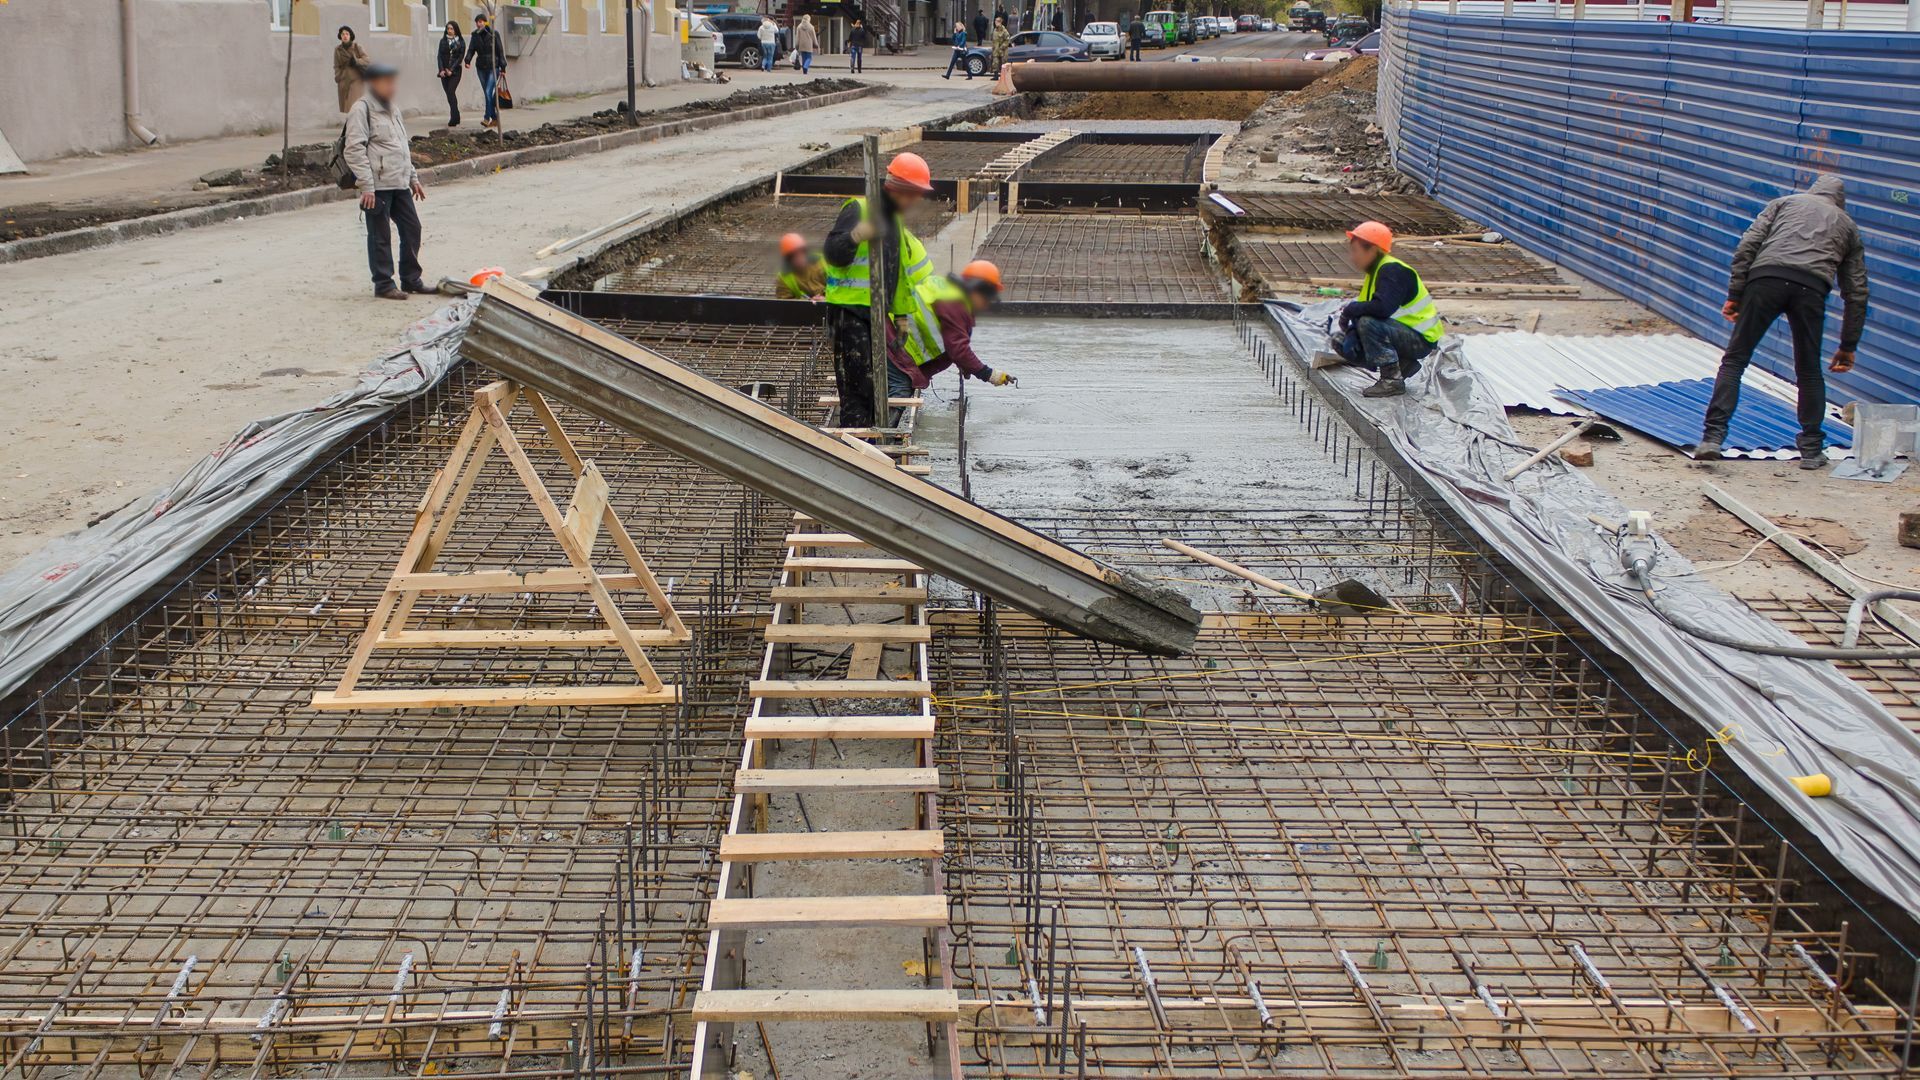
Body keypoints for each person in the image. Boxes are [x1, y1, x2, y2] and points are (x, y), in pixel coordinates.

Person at [1697, 175, 1869, 468]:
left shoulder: (1783, 204)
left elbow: (1747, 246)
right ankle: (1811, 451)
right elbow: (1857, 290)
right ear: (1840, 201)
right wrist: (1847, 345)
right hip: (1811, 289)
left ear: (1813, 191)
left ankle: (1712, 439)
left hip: (1766, 281)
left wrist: (1736, 294)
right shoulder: (1848, 226)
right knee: (1809, 371)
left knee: (1735, 360)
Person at [821, 152, 938, 429]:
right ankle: (854, 444)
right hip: (848, 312)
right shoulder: (859, 209)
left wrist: (901, 318)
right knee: (857, 387)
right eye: (915, 194)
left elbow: (899, 275)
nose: (917, 201)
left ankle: (869, 439)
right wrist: (856, 235)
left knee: (875, 386)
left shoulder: (892, 222)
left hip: (875, 314)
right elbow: (833, 253)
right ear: (901, 189)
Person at [343, 63, 429, 302]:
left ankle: (411, 279)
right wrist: (366, 185)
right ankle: (383, 284)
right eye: (387, 82)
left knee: (412, 228)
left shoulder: (393, 109)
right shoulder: (361, 110)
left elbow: (401, 147)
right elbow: (354, 150)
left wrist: (412, 178)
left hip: (399, 182)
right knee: (380, 236)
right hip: (377, 186)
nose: (392, 87)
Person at [1333, 221, 1444, 398]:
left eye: (1355, 251)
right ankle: (1402, 365)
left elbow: (1383, 308)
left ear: (1372, 250)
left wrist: (1351, 310)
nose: (1352, 257)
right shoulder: (1375, 273)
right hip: (1403, 334)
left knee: (1368, 323)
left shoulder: (1393, 271)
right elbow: (1366, 309)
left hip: (1421, 339)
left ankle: (1392, 380)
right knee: (1340, 340)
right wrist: (1353, 332)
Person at [889, 260, 1018, 403]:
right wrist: (989, 374)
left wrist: (967, 366)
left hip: (891, 335)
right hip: (894, 344)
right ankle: (887, 418)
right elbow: (958, 350)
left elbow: (951, 338)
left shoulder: (948, 290)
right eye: (987, 299)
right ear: (976, 290)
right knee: (900, 390)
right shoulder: (955, 304)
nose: (986, 305)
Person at [465, 13, 506, 130]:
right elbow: (471, 49)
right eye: (477, 22)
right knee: (487, 93)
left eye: (481, 22)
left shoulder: (493, 34)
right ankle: (495, 118)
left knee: (488, 92)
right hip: (481, 67)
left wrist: (503, 67)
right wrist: (467, 60)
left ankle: (486, 118)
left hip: (493, 67)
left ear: (485, 22)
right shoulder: (475, 35)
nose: (479, 24)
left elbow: (500, 51)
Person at [776, 232, 825, 300]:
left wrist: (826, 298)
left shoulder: (822, 260)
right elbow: (785, 302)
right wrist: (809, 302)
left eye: (801, 252)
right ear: (788, 258)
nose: (799, 258)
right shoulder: (784, 277)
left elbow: (837, 284)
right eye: (794, 255)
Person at [333, 27, 369, 113]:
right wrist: (338, 77)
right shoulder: (337, 49)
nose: (345, 36)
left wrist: (356, 61)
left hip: (356, 80)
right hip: (343, 81)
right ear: (340, 36)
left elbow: (367, 60)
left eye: (347, 34)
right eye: (343, 34)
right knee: (346, 109)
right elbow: (336, 65)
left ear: (350, 36)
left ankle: (356, 121)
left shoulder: (357, 47)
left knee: (354, 107)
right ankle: (350, 122)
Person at [435, 22, 465, 127]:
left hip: (455, 72)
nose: (449, 30)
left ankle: (454, 117)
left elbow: (460, 57)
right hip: (444, 72)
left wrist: (451, 70)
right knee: (449, 94)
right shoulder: (443, 41)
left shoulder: (461, 42)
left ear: (455, 30)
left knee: (451, 91)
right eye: (448, 28)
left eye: (451, 29)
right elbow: (439, 56)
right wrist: (441, 70)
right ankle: (456, 115)